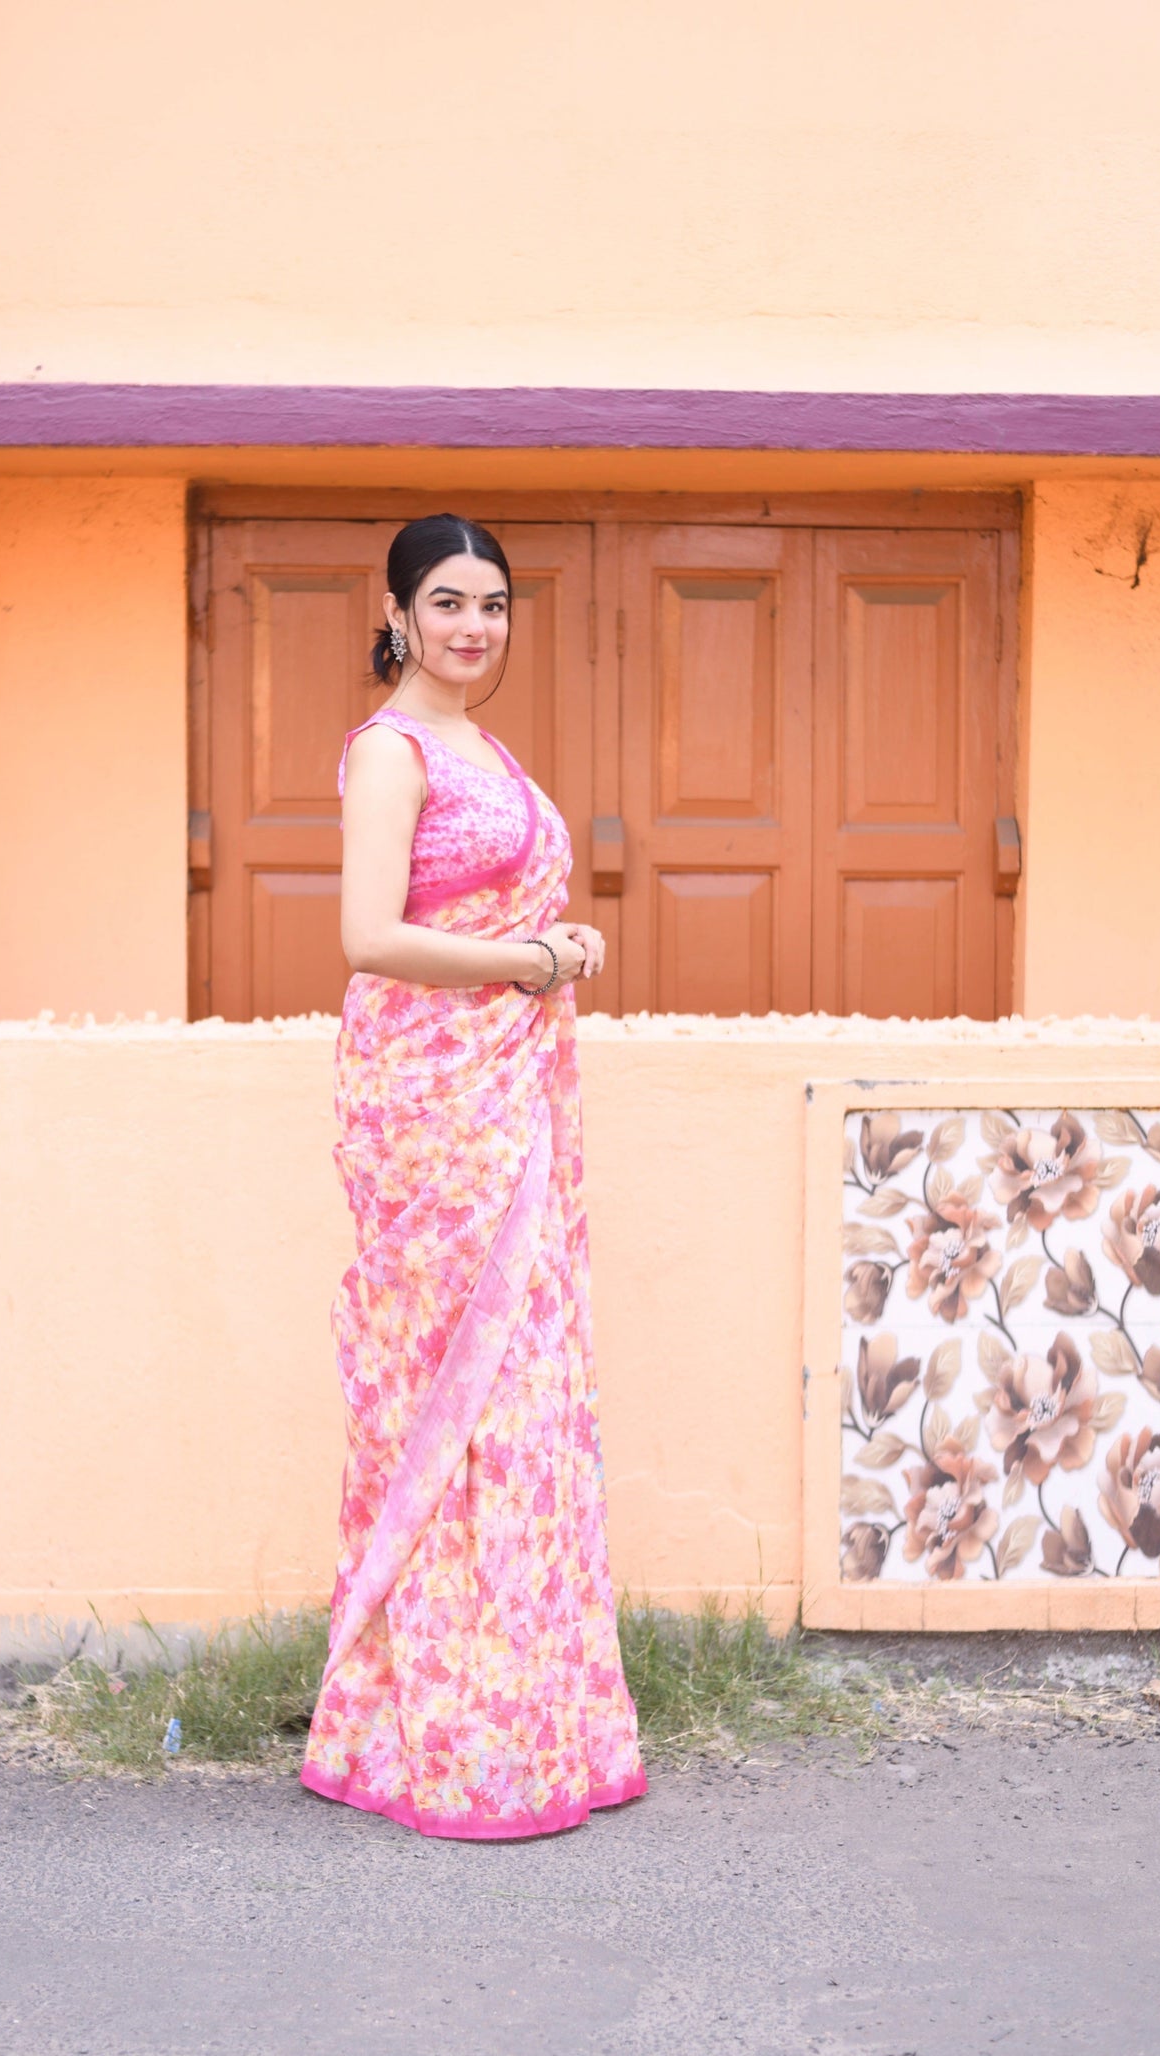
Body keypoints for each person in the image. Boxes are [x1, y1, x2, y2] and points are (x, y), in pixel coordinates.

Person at [301, 513, 646, 1840]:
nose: (472, 626)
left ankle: (521, 1715)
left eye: (493, 604)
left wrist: (545, 948)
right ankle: (425, 1728)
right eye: (446, 601)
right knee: (450, 1389)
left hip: (504, 1087)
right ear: (393, 610)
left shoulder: (479, 745)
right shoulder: (391, 752)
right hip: (429, 1102)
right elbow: (369, 935)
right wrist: (534, 963)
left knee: (520, 1393)